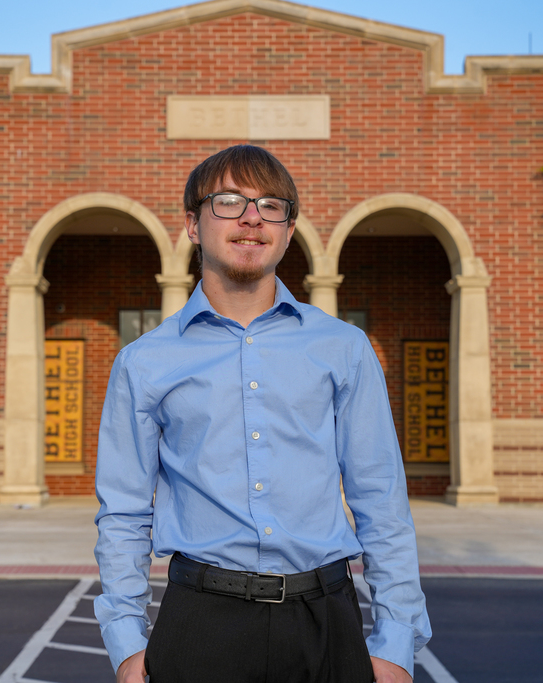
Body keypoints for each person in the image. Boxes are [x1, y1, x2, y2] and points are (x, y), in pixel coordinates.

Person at [94, 145, 431, 683]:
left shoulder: (344, 348)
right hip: (200, 625)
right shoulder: (144, 362)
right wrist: (127, 644)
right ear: (193, 225)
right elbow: (124, 513)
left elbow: (381, 501)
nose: (252, 218)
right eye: (229, 201)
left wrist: (396, 641)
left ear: (288, 231)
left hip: (325, 624)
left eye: (271, 206)